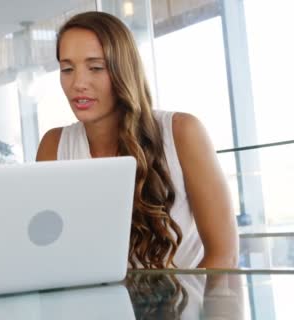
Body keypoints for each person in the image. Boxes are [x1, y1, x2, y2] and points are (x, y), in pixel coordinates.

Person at [36, 11, 238, 269]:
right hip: (96, 306)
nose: (78, 83)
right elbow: (47, 253)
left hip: (188, 305)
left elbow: (224, 255)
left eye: (96, 67)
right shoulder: (54, 146)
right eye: (67, 69)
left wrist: (192, 310)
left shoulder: (182, 132)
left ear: (124, 69)